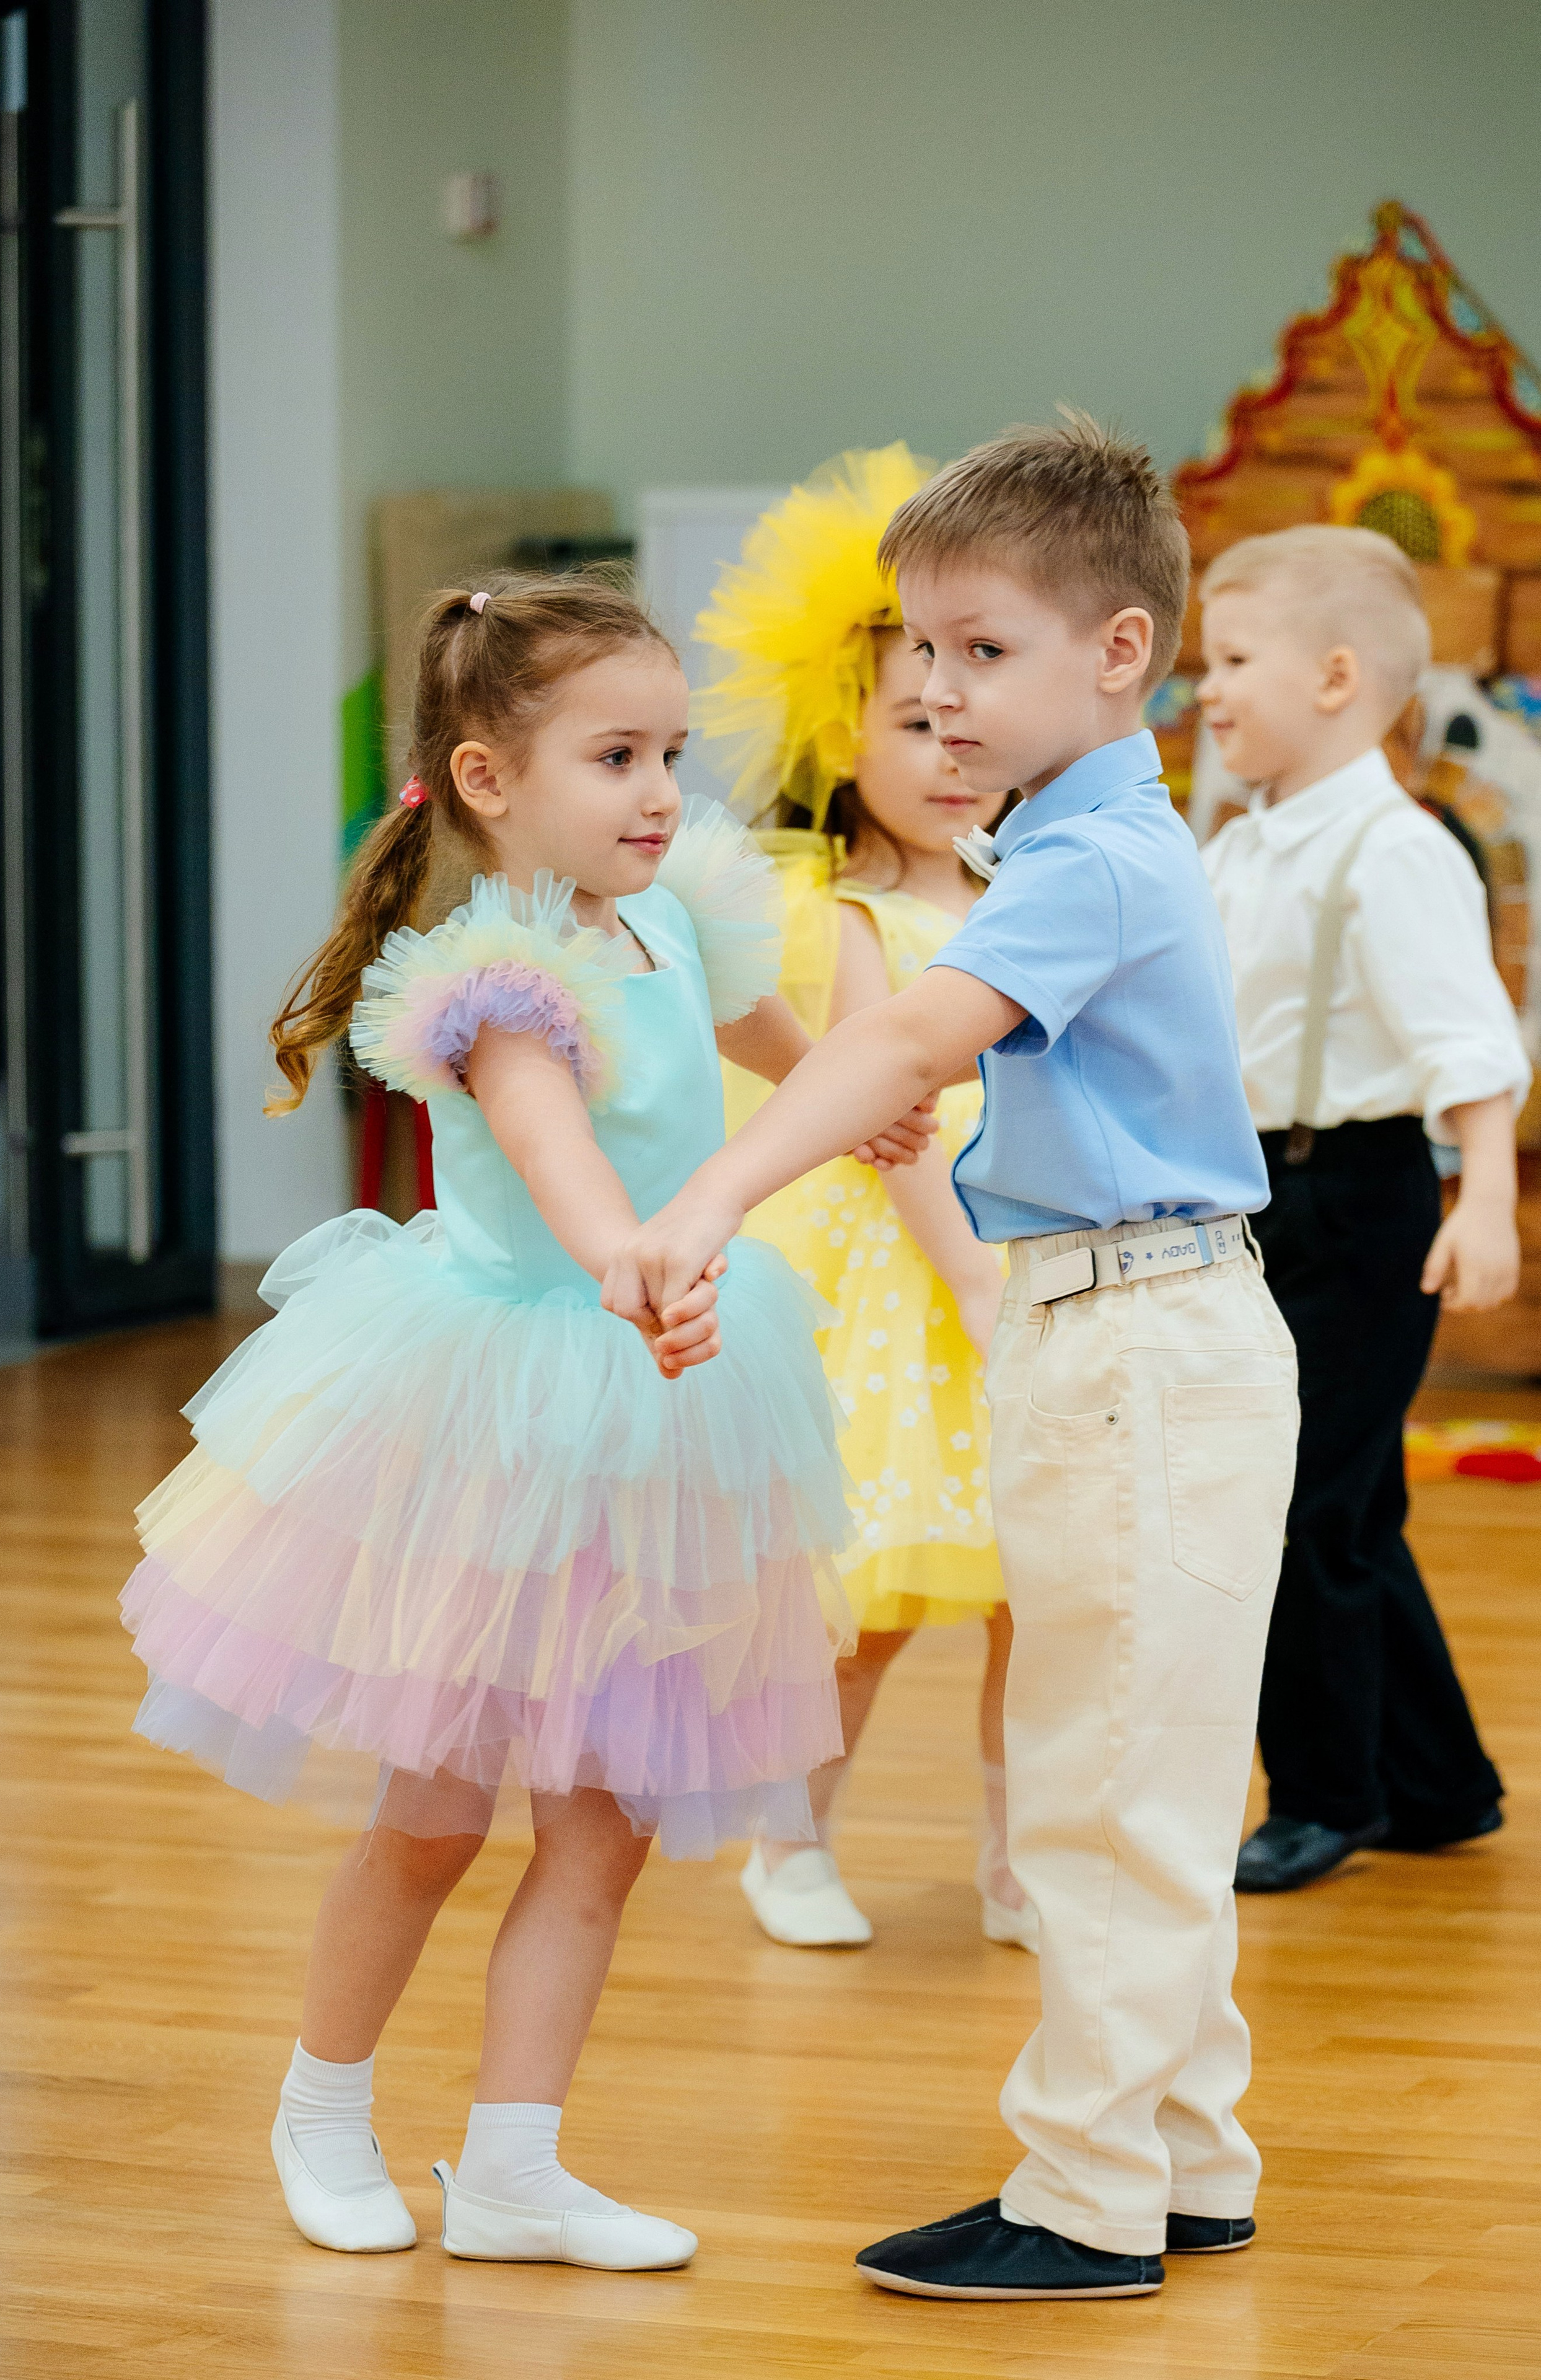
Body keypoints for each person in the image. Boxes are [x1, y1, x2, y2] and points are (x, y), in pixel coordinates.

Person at [118, 574, 929, 2274]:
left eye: (671, 754)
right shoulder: (491, 983)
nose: (658, 793)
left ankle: (511, 2168)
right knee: (436, 1809)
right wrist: (645, 1255)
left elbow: (804, 1060)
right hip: (505, 1410)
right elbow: (569, 1174)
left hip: (665, 1410)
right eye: (615, 756)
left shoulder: (679, 916)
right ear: (490, 780)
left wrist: (883, 1107)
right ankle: (322, 2109)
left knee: (606, 1820)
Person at [605, 415, 1300, 2303]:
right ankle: (1180, 2156)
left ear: (1120, 655)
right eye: (921, 651)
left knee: (1106, 1788)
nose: (937, 687)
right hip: (1127, 1326)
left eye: (982, 650)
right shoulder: (1067, 840)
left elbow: (908, 1039)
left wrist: (710, 1199)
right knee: (1126, 1767)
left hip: (1142, 1341)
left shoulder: (1096, 862)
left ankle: (1086, 2203)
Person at [694, 446, 1032, 1951]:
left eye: (966, 714)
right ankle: (789, 1838)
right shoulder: (843, 914)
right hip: (904, 1277)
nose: (948, 749)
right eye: (910, 720)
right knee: (876, 1593)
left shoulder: (1031, 890)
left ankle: (1020, 1860)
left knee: (1039, 1598)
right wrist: (964, 1275)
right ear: (846, 739)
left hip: (1026, 1249)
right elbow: (885, 1120)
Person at [1196, 526, 1530, 1895]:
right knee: (1347, 1502)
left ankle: (1323, 1794)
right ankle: (1435, 1783)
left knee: (1293, 1509)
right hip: (1259, 1191)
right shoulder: (1238, 847)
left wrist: (1486, 1202)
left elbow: (1469, 1043)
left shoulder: (1393, 852)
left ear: (1333, 677)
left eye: (1227, 661)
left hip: (1360, 1196)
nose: (1202, 690)